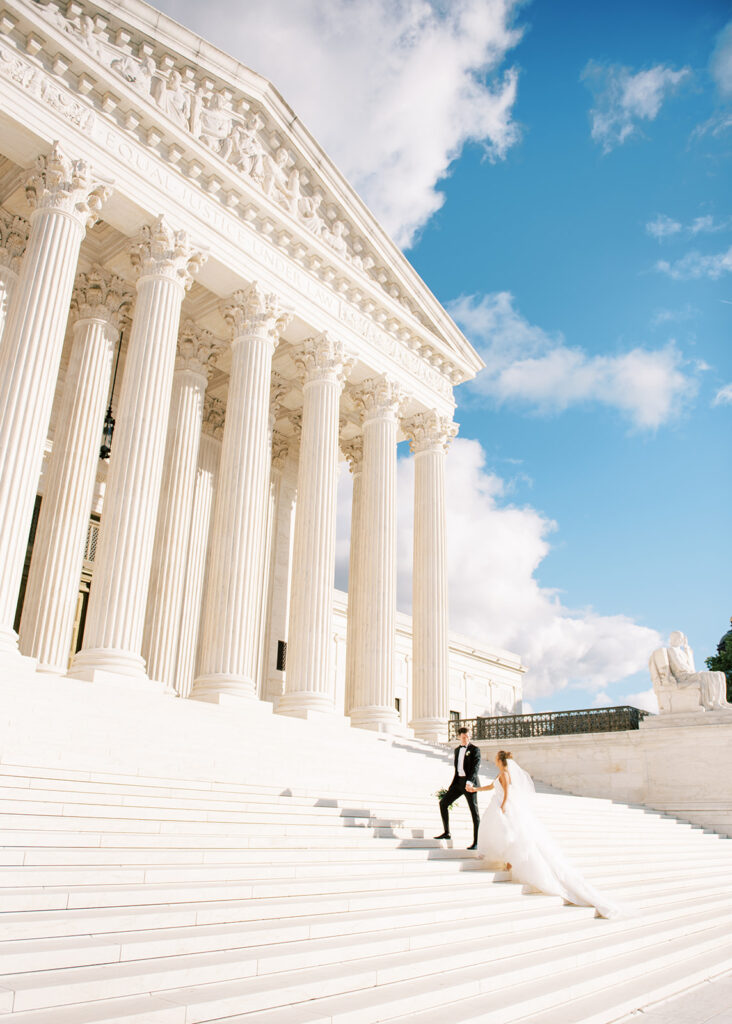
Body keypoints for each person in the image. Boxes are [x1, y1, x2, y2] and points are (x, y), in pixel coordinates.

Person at [466, 751, 621, 919]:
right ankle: (507, 860)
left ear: (499, 760)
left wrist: (503, 805)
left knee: (510, 834)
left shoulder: (505, 773)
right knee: (504, 833)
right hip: (498, 804)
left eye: (496, 757)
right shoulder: (500, 773)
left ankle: (510, 861)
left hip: (504, 806)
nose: (494, 759)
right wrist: (476, 789)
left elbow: (506, 791)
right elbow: (492, 786)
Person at [435, 727, 481, 850]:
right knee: (443, 803)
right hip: (458, 783)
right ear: (459, 736)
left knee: (474, 812)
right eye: (464, 736)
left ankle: (477, 842)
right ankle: (447, 832)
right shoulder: (457, 750)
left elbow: (475, 768)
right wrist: (452, 785)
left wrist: (470, 782)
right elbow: (457, 769)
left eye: (468, 736)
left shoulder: (475, 749)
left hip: (470, 784)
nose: (466, 738)